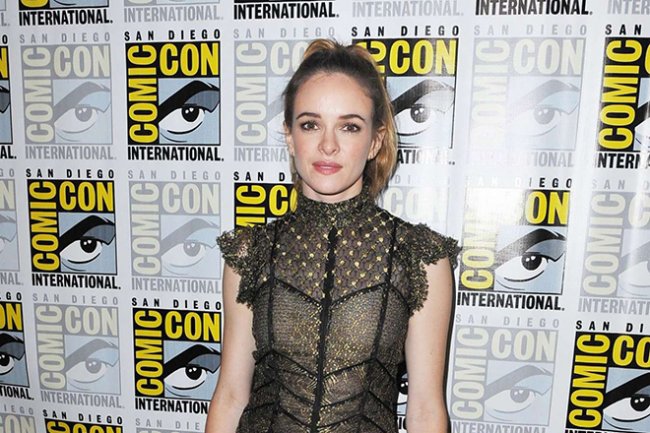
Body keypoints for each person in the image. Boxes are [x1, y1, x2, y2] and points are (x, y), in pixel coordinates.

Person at [205, 39, 458, 433]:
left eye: (349, 126)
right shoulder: (249, 253)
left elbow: (425, 410)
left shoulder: (420, 258)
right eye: (310, 124)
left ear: (375, 141)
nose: (328, 145)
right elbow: (231, 395)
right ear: (290, 136)